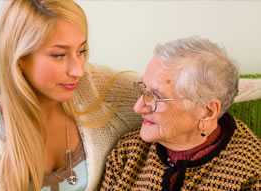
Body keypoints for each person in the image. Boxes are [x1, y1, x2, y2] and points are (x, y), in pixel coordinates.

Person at [0, 0, 141, 191]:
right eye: (58, 55)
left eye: (81, 51)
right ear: (19, 59)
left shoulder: (94, 85)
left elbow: (166, 97)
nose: (78, 70)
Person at [100, 37, 261, 191]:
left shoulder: (251, 175)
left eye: (156, 96)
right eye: (143, 89)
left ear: (207, 112)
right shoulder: (127, 153)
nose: (138, 107)